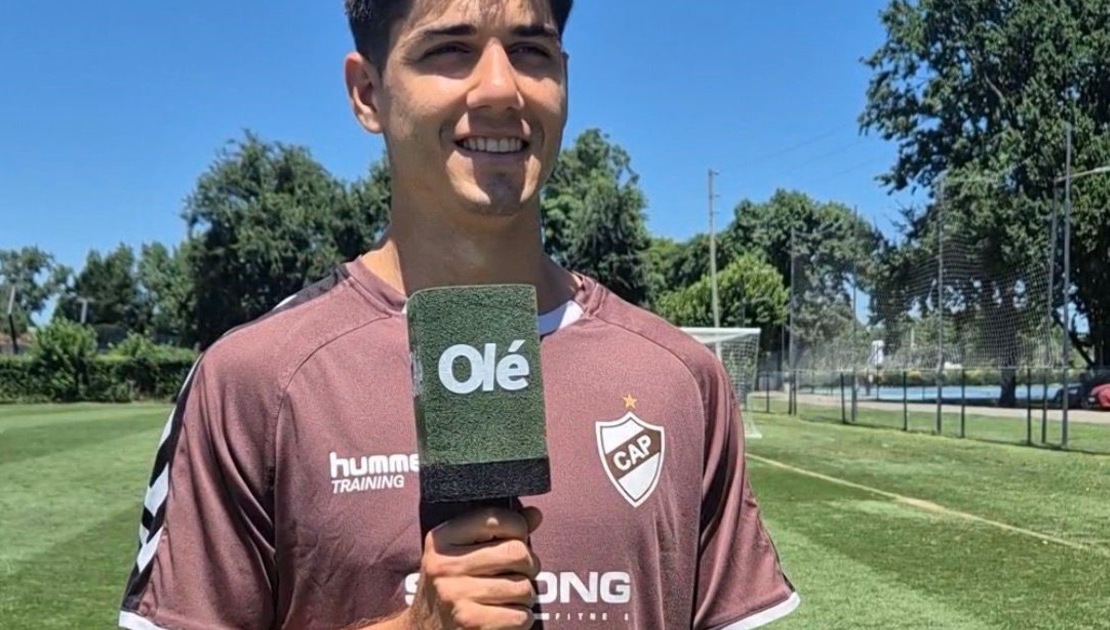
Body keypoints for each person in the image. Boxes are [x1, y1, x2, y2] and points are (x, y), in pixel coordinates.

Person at [117, 0, 799, 628]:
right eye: (450, 49)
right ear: (367, 93)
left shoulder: (680, 378)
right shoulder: (253, 381)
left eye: (531, 51)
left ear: (564, 79)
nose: (501, 88)